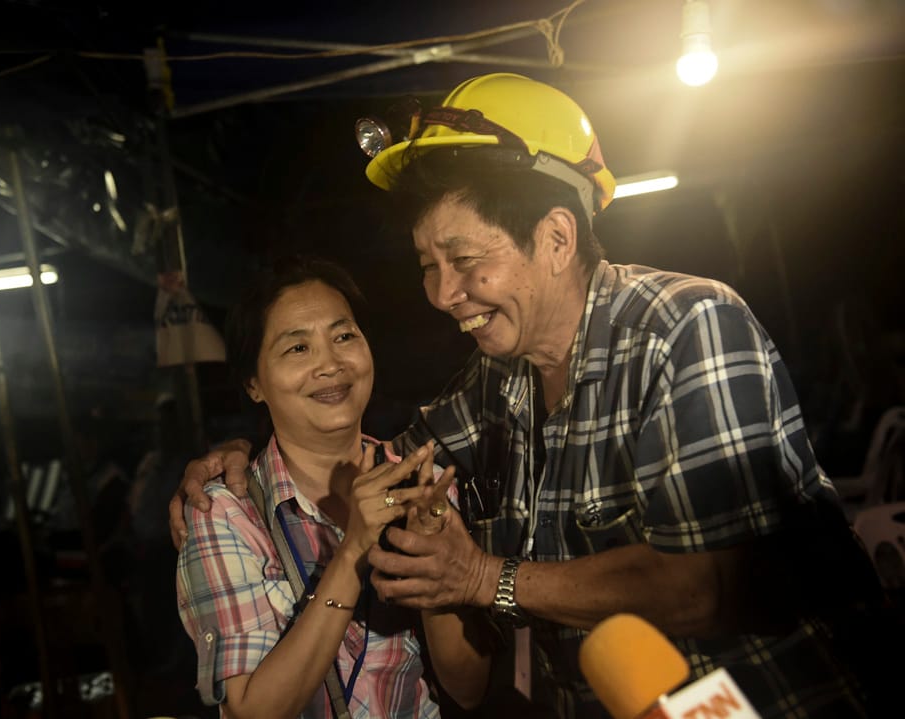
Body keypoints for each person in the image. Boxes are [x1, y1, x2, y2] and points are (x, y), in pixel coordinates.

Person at [171, 74, 891, 717]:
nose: (444, 295)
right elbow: (363, 442)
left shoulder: (684, 327)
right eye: (429, 265)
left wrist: (487, 577)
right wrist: (232, 455)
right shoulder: (497, 381)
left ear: (554, 236)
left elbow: (704, 585)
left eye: (465, 261)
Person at [175, 255, 490, 718]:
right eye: (297, 349)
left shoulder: (419, 484)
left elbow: (468, 688)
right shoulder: (225, 514)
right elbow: (252, 712)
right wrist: (353, 549)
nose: (330, 364)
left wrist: (433, 571)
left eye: (344, 336)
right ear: (254, 384)